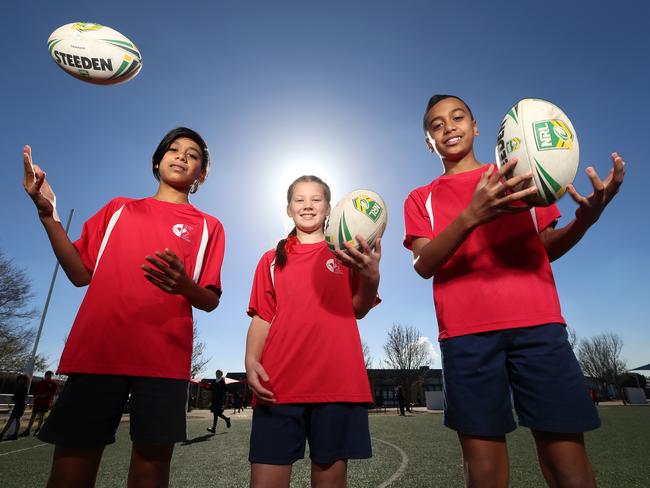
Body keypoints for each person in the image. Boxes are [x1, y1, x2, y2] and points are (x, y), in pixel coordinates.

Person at [403, 94, 625, 488]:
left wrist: (584, 222)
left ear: (476, 127)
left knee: (569, 466)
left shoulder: (520, 174)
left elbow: (545, 245)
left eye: (458, 118)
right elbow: (424, 263)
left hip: (538, 328)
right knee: (485, 473)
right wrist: (472, 216)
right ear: (429, 142)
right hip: (466, 335)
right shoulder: (422, 198)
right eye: (437, 125)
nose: (449, 127)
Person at [22, 127, 225, 488]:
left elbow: (209, 299)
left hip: (162, 361)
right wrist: (48, 216)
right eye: (173, 149)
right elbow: (79, 273)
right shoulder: (119, 209)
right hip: (97, 352)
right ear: (157, 160)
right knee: (72, 465)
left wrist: (184, 285)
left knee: (150, 470)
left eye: (192, 155)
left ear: (202, 175)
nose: (181, 156)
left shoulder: (209, 226)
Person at [245, 175, 381, 488]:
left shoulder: (347, 253)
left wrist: (372, 277)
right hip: (277, 385)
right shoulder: (270, 260)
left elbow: (358, 308)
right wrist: (251, 360)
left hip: (337, 385)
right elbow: (262, 317)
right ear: (289, 209)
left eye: (316, 199)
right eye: (300, 199)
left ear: (330, 208)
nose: (308, 205)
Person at [20, 370, 58, 436]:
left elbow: (52, 393)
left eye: (50, 376)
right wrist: (36, 395)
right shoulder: (40, 383)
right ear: (45, 376)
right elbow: (34, 391)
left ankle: (38, 429)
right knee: (33, 415)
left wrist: (46, 395)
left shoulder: (53, 384)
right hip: (37, 402)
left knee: (42, 416)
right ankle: (28, 430)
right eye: (48, 376)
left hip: (45, 402)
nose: (49, 377)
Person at [0, 374, 29, 441]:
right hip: (18, 405)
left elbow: (20, 397)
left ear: (25, 381)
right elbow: (15, 397)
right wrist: (12, 402)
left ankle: (14, 434)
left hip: (20, 405)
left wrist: (13, 401)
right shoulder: (19, 387)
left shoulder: (24, 388)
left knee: (17, 419)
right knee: (12, 419)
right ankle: (3, 434)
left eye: (22, 380)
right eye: (19, 379)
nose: (20, 381)